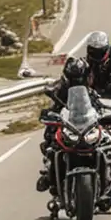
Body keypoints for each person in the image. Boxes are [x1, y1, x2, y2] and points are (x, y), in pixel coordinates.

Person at [36, 55, 94, 192]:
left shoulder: (90, 91)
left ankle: (108, 172)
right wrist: (49, 114)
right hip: (66, 123)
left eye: (80, 77)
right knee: (51, 142)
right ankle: (49, 173)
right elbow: (52, 100)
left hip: (86, 124)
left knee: (105, 138)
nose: (77, 81)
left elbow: (98, 103)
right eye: (74, 78)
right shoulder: (60, 88)